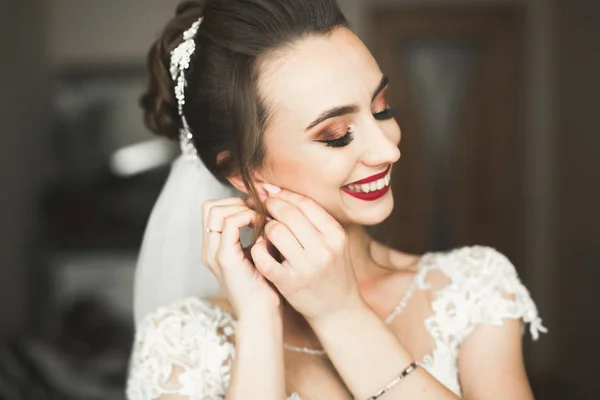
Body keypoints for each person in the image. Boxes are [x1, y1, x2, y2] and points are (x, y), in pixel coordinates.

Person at [126, 0, 547, 399]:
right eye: (337, 135)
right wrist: (258, 321)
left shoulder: (472, 290)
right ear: (242, 172)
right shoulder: (183, 340)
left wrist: (341, 313)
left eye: (382, 108)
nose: (388, 150)